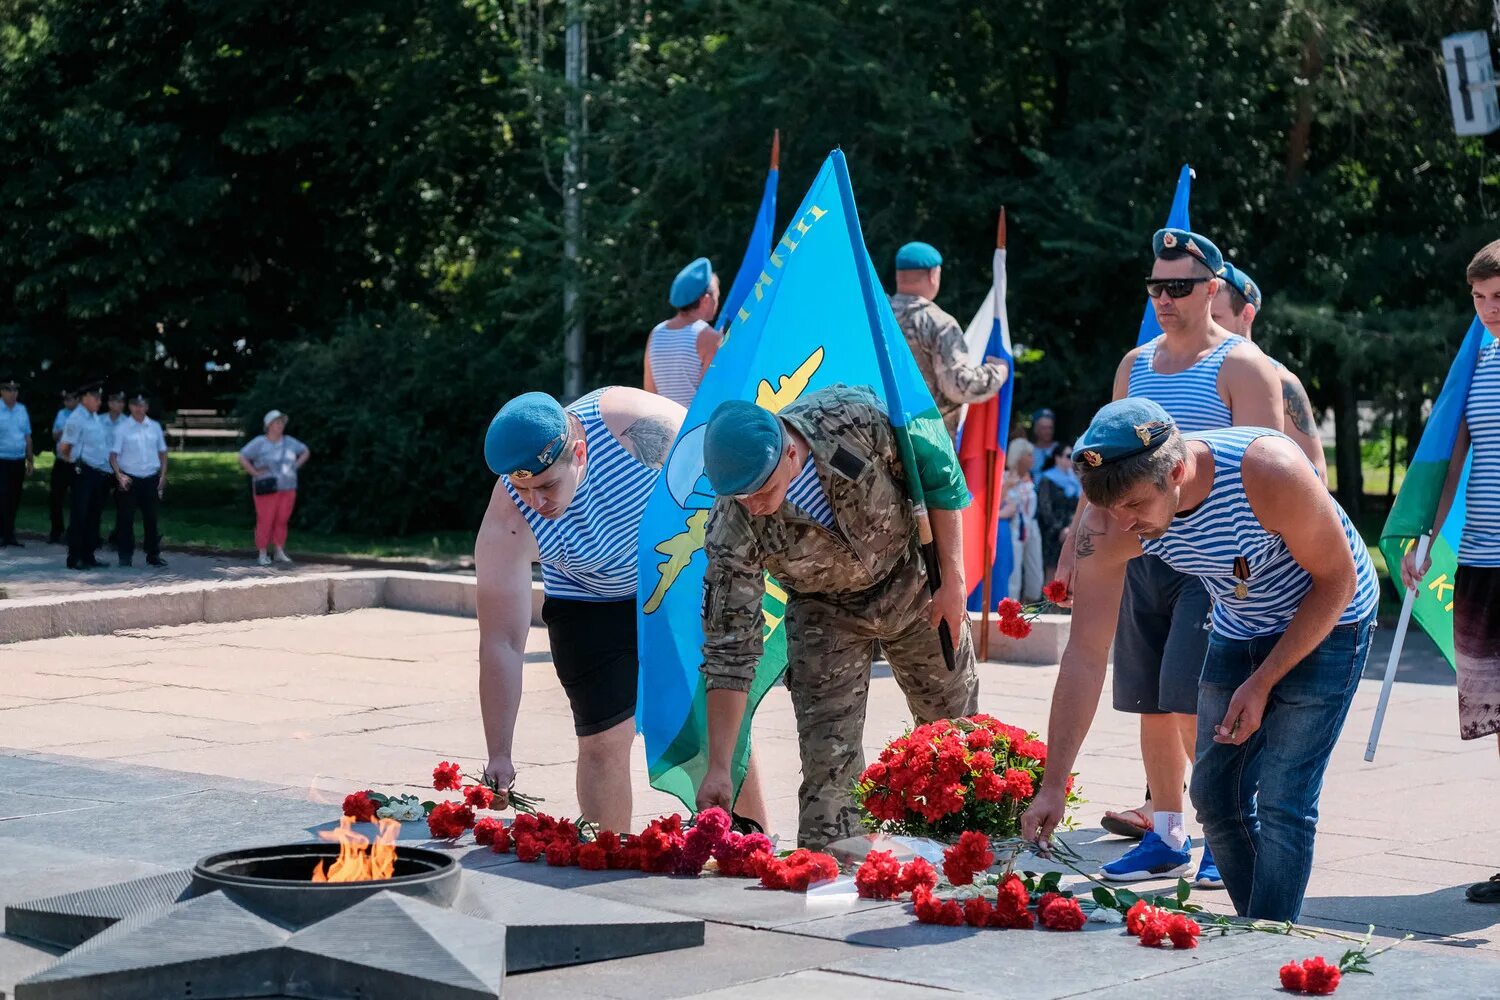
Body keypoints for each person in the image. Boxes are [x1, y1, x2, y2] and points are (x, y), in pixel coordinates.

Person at [1022, 398, 1378, 922]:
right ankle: (1263, 927)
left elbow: (1338, 582)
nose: (1125, 523)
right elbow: (1085, 653)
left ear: (1178, 470)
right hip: (1240, 624)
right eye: (1110, 508)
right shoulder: (1106, 523)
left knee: (1283, 799)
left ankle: (1266, 941)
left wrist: (1262, 682)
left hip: (1330, 620)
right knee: (1214, 796)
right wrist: (1053, 783)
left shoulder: (1266, 471)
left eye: (1136, 506)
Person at [1052, 229, 1282, 889]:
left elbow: (1270, 468)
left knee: (1193, 703)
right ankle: (1167, 835)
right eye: (1156, 287)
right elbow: (1106, 465)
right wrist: (1075, 543)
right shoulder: (1136, 365)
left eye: (1179, 286)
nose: (1165, 298)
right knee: (1152, 701)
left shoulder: (1242, 365)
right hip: (1139, 553)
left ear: (1213, 288)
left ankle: (1227, 829)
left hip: (1212, 563)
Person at [693, 385, 980, 849]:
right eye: (738, 495)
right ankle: (837, 874)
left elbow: (937, 476)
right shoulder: (734, 523)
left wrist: (954, 582)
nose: (751, 504)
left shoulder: (852, 418)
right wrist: (720, 767)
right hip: (823, 610)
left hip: (912, 581)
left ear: (789, 452)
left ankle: (968, 858)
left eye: (760, 490)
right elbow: (731, 647)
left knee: (954, 738)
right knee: (829, 765)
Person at [476, 386, 767, 835]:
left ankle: (754, 847)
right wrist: (500, 752)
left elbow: (729, 463)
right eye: (523, 488)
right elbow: (502, 642)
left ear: (580, 449)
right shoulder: (508, 519)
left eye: (549, 484)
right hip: (588, 598)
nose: (538, 503)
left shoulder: (635, 427)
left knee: (718, 734)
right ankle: (608, 860)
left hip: (675, 582)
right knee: (602, 741)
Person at [1400, 239, 1500, 905]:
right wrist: (1426, 538)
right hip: (1483, 564)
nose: (1491, 309)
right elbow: (1453, 456)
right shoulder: (1478, 363)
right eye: (1481, 298)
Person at [1211, 263, 1328, 482]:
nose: (1206, 326)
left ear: (1246, 315)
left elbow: (1316, 474)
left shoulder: (1282, 381)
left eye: (1215, 318)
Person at [888, 241, 1009, 439]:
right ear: (933, 274)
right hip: (927, 446)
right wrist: (998, 372)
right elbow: (957, 386)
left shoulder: (877, 319)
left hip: (880, 440)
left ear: (898, 275)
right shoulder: (938, 323)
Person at [644, 257, 721, 408]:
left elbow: (650, 391)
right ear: (705, 299)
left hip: (663, 425)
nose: (717, 302)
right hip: (694, 429)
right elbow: (712, 394)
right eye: (717, 296)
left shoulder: (656, 333)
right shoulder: (709, 337)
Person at [237, 410, 309, 566]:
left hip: (288, 487)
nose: (280, 425)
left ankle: (278, 550)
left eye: (282, 422)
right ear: (269, 425)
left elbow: (305, 451)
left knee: (282, 519)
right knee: (265, 519)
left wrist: (295, 466)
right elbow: (242, 456)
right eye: (277, 422)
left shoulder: (290, 441)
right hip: (266, 487)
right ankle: (262, 552)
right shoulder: (259, 442)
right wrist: (254, 473)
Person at [109, 392, 168, 568]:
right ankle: (125, 555)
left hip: (150, 478)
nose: (138, 408)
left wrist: (163, 476)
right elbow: (113, 456)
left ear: (147, 407)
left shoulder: (154, 427)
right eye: (135, 405)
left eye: (142, 405)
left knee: (151, 518)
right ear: (130, 407)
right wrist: (119, 475)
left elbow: (163, 453)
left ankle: (153, 554)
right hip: (130, 479)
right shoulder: (122, 428)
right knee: (126, 519)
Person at [58, 385, 112, 570]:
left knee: (93, 515)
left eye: (100, 397)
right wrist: (76, 466)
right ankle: (74, 557)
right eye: (95, 397)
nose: (99, 401)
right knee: (79, 515)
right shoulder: (76, 418)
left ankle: (89, 554)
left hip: (97, 471)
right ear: (84, 398)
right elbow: (65, 448)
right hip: (82, 471)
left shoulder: (94, 417)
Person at [1002, 437, 1042, 601]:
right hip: (1014, 526)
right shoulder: (1005, 477)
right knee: (1014, 570)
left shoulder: (1031, 479)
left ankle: (1032, 601)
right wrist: (1008, 486)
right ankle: (1011, 605)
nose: (1032, 459)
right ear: (1018, 456)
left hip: (1031, 525)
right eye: (1028, 455)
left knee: (1035, 568)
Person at [1036, 442, 1080, 579]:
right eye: (1068, 456)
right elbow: (1045, 508)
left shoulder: (1076, 480)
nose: (1071, 459)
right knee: (1052, 569)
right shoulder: (1046, 479)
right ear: (1057, 458)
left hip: (1072, 531)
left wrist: (1071, 528)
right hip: (1052, 533)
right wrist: (1059, 530)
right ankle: (1049, 600)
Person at [0, 378, 33, 547]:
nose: (13, 393)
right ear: (2, 391)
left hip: (18, 460)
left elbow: (27, 436)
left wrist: (30, 460)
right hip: (2, 460)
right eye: (9, 390)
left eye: (15, 390)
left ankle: (9, 535)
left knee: (14, 498)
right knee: (2, 497)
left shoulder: (22, 410)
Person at [48, 389, 78, 543]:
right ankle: (56, 530)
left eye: (70, 399)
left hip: (77, 462)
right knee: (55, 496)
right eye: (65, 399)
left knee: (77, 499)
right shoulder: (62, 414)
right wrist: (65, 429)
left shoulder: (84, 415)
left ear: (77, 400)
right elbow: (55, 435)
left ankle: (74, 532)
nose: (67, 402)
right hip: (61, 461)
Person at [1029, 408, 1060, 481]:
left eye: (1050, 428)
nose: (1048, 431)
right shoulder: (1029, 450)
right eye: (1044, 428)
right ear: (1036, 429)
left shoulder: (1060, 449)